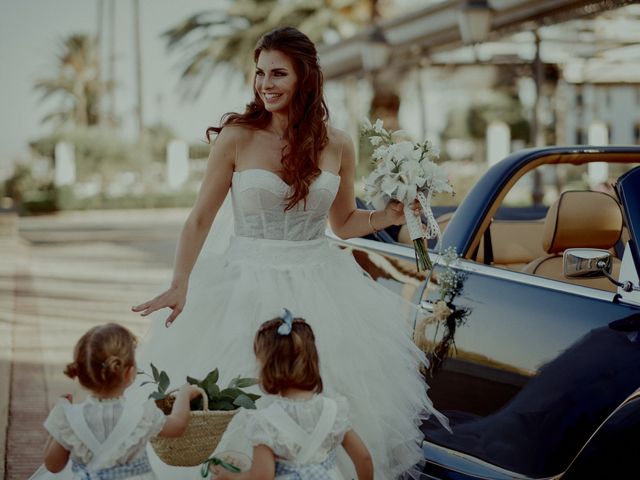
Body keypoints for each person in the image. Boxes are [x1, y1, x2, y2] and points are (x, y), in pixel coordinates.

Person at [131, 26, 448, 479]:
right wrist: (180, 283)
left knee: (336, 398)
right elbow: (200, 218)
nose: (266, 84)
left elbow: (343, 223)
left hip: (322, 286)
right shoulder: (237, 136)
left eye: (278, 73)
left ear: (306, 77)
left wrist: (387, 216)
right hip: (241, 286)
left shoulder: (337, 143)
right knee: (235, 400)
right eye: (260, 73)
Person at [210, 310, 373, 480]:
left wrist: (230, 477)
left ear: (268, 367)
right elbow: (364, 458)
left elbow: (262, 476)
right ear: (312, 362)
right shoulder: (334, 411)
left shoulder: (266, 422)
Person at [30, 323, 202, 479]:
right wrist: (184, 395)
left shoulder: (69, 417)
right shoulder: (143, 415)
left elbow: (53, 465)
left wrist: (58, 420)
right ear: (129, 373)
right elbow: (178, 425)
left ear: (81, 375)